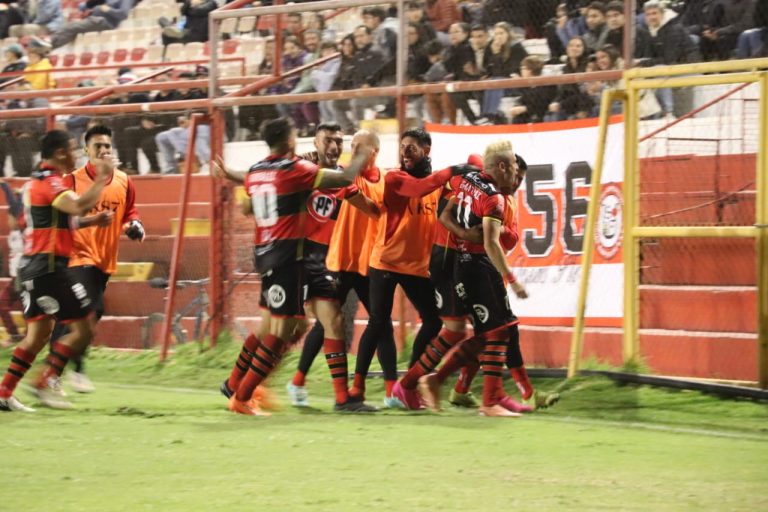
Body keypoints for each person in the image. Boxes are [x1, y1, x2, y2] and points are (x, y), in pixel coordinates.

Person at [218, 118, 375, 416]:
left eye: (338, 140)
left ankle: (343, 398)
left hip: (304, 258)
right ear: (309, 142)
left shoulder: (296, 170)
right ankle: (241, 391)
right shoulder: (302, 170)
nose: (333, 145)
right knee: (280, 328)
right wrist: (363, 155)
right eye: (327, 139)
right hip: (290, 255)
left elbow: (366, 204)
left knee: (328, 321)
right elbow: (249, 205)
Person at [393, 140, 532, 416]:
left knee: (487, 330)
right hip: (451, 260)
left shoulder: (471, 183)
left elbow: (506, 237)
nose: (516, 178)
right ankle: (420, 384)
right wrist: (510, 276)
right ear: (498, 167)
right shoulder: (487, 191)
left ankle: (481, 392)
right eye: (515, 170)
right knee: (472, 330)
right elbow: (488, 239)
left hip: (463, 260)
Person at [348, 128, 468, 406]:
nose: (405, 152)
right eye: (402, 147)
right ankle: (357, 389)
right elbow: (419, 188)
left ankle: (407, 384)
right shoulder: (396, 178)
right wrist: (453, 170)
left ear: (427, 150)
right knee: (378, 322)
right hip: (386, 261)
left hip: (417, 266)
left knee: (434, 320)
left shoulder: (438, 184)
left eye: (411, 147)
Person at [0, 129, 114, 412]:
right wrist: (102, 179)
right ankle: (45, 383)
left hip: (32, 267)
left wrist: (93, 220)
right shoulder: (49, 182)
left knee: (37, 336)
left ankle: (4, 393)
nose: (76, 153)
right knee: (84, 328)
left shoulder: (38, 182)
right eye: (73, 148)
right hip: (48, 267)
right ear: (61, 153)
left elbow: (59, 222)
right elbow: (76, 206)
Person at [287, 128, 392, 407]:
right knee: (312, 325)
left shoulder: (366, 180)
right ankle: (292, 382)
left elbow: (373, 209)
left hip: (358, 262)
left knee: (367, 323)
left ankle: (384, 393)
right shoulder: (320, 173)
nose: (340, 148)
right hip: (326, 260)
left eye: (341, 142)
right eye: (351, 145)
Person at [47, 125, 144, 394]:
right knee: (86, 310)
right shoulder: (73, 180)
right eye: (97, 146)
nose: (103, 150)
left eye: (107, 146)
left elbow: (129, 213)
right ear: (86, 150)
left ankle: (71, 370)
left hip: (104, 260)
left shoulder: (124, 180)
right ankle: (54, 373)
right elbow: (66, 219)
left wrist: (135, 226)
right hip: (77, 256)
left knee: (87, 314)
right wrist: (93, 220)